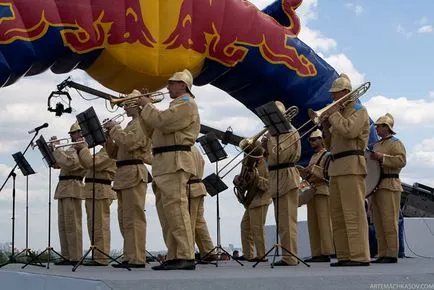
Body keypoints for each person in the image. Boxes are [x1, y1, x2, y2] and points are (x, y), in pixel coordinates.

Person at [137, 69, 199, 270]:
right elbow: (152, 131)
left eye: (171, 83)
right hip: (163, 161)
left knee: (176, 209)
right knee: (166, 212)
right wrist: (142, 111)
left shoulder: (186, 104)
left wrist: (147, 105)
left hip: (175, 159)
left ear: (183, 85)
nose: (167, 87)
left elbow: (162, 122)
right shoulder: (173, 106)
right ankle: (174, 254)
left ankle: (186, 255)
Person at [321, 73, 371, 267]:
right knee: (339, 214)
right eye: (332, 94)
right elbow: (330, 144)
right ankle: (344, 255)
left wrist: (332, 114)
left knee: (354, 213)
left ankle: (359, 256)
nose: (333, 97)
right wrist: (325, 126)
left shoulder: (359, 110)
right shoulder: (338, 115)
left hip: (352, 165)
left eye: (336, 94)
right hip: (336, 167)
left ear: (346, 93)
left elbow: (350, 131)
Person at [104, 94, 152, 268]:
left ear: (137, 105)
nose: (124, 108)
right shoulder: (130, 124)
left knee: (134, 217)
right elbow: (114, 153)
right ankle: (129, 256)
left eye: (127, 105)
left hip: (134, 171)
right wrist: (109, 136)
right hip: (123, 172)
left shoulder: (141, 123)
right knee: (125, 219)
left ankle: (137, 258)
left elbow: (130, 143)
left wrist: (115, 129)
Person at [262, 101, 301, 266]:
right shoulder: (275, 135)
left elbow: (280, 155)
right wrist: (265, 147)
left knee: (287, 220)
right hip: (276, 175)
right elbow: (270, 159)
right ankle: (287, 254)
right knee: (281, 220)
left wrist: (269, 141)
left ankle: (290, 257)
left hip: (287, 175)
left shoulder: (289, 131)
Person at [369, 113, 406, 263]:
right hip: (377, 185)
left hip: (390, 185)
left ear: (386, 127)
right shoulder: (377, 145)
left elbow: (401, 161)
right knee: (378, 221)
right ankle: (382, 252)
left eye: (379, 126)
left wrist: (382, 158)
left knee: (390, 220)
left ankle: (391, 253)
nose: (376, 129)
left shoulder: (396, 143)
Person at [74, 141, 117, 266]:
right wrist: (80, 150)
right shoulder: (101, 151)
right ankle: (97, 254)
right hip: (92, 190)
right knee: (93, 225)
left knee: (100, 226)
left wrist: (83, 149)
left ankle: (101, 257)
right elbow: (86, 164)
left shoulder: (109, 152)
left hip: (101, 190)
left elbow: (92, 163)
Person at [51, 122, 86, 265]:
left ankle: (75, 256)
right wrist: (52, 151)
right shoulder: (72, 148)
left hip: (73, 186)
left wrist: (56, 149)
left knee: (73, 224)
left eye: (73, 133)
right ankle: (66, 255)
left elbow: (70, 163)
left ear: (80, 133)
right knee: (63, 224)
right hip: (64, 187)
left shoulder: (82, 149)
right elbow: (58, 164)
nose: (71, 136)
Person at [298, 129, 334, 262]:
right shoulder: (313, 156)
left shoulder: (327, 155)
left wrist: (312, 169)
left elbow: (327, 173)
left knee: (324, 222)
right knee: (312, 223)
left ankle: (327, 251)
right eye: (311, 140)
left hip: (322, 190)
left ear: (321, 140)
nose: (312, 142)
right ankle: (316, 252)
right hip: (312, 190)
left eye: (315, 139)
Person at [233, 140, 270, 262]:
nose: (247, 155)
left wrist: (256, 179)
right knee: (245, 226)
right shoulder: (248, 164)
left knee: (257, 228)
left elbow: (269, 184)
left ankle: (262, 255)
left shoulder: (266, 163)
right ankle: (248, 254)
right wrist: (237, 180)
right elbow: (243, 178)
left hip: (261, 199)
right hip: (251, 200)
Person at [189, 145, 216, 262]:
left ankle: (188, 253)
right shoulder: (195, 149)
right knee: (199, 222)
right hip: (199, 187)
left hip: (190, 188)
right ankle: (208, 251)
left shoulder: (184, 149)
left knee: (188, 223)